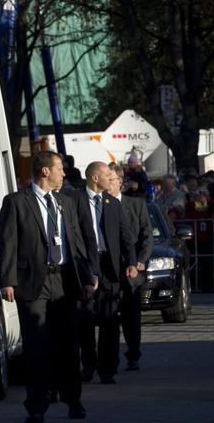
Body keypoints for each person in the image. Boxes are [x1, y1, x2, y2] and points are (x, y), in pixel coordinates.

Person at [0, 151, 94, 423]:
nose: (64, 173)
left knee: (69, 345)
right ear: (45, 171)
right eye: (59, 168)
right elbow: (8, 243)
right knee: (37, 346)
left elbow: (76, 242)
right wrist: (8, 280)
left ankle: (73, 400)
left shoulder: (66, 201)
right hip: (32, 281)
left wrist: (86, 276)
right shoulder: (16, 202)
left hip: (64, 281)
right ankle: (37, 405)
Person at [71, 161, 137, 384]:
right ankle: (88, 366)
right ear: (95, 178)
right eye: (108, 174)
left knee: (110, 321)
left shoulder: (112, 203)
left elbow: (125, 235)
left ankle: (107, 369)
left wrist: (131, 261)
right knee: (85, 322)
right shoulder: (74, 200)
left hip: (110, 269)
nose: (113, 178)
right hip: (84, 268)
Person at [108, 166, 153, 371]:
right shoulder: (97, 205)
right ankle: (109, 359)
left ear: (120, 182)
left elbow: (146, 236)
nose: (109, 183)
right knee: (107, 316)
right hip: (108, 270)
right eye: (106, 178)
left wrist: (140, 260)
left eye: (113, 179)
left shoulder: (136, 204)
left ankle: (133, 354)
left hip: (132, 269)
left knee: (131, 316)